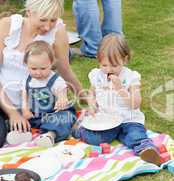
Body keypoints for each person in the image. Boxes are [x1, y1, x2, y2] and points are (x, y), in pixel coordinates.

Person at [0, 0, 82, 146]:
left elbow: (65, 70)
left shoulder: (58, 31)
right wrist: (13, 113)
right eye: (43, 19)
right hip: (4, 102)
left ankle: (48, 134)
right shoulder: (7, 25)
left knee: (64, 116)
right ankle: (10, 126)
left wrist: (86, 98)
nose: (47, 26)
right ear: (29, 13)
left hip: (39, 105)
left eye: (53, 20)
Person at [73, 33, 161, 166]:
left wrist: (120, 88)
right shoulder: (97, 75)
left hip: (129, 119)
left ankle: (146, 150)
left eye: (114, 65)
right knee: (95, 138)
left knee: (135, 134)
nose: (109, 70)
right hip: (107, 120)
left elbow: (135, 104)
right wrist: (91, 104)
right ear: (98, 60)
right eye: (104, 65)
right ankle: (80, 130)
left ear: (124, 60)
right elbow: (92, 92)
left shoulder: (131, 78)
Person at [6, 41, 77, 147]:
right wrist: (25, 110)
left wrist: (62, 99)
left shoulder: (55, 80)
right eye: (33, 69)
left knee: (64, 118)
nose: (38, 72)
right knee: (18, 118)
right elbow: (24, 96)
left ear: (51, 63)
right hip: (34, 115)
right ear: (26, 64)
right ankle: (23, 133)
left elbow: (61, 92)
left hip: (52, 114)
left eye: (43, 68)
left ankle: (50, 135)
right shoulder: (27, 80)